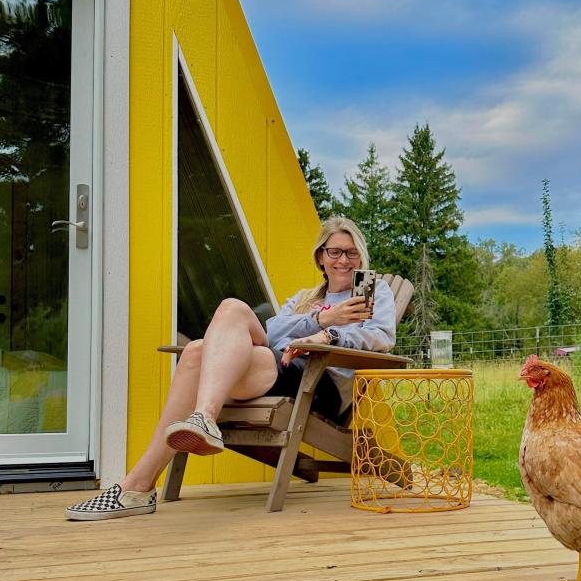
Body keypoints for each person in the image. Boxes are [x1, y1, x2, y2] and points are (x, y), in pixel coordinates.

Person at [65, 217, 396, 520]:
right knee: (206, 338)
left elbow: (382, 335)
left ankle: (140, 483)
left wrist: (329, 333)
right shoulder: (304, 299)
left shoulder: (373, 293)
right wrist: (320, 317)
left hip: (319, 381)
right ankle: (159, 463)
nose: (343, 260)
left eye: (352, 253)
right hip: (277, 368)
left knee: (203, 344)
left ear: (361, 258)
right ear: (320, 257)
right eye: (335, 251)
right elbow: (272, 333)